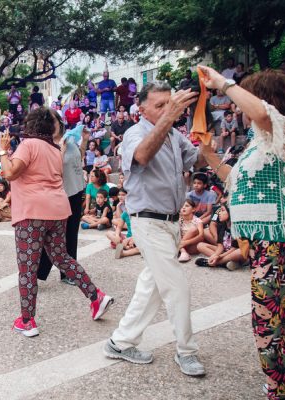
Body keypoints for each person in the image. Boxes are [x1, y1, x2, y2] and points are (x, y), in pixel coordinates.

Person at [198, 65, 285, 398]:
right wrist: (207, 151)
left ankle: (281, 391)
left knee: (269, 322)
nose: (239, 111)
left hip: (277, 238)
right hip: (266, 239)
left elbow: (261, 112)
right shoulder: (259, 144)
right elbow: (233, 180)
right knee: (282, 318)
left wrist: (222, 83)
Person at [104, 80, 204, 376]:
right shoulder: (134, 134)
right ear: (141, 109)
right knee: (177, 287)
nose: (166, 110)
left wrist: (207, 141)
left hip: (171, 222)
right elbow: (143, 156)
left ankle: (120, 343)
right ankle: (187, 351)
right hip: (147, 221)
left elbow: (195, 157)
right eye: (159, 105)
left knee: (151, 287)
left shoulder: (174, 134)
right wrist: (170, 116)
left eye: (169, 103)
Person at [0, 107, 114, 337]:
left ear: (31, 124)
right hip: (58, 209)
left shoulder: (28, 145)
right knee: (62, 257)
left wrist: (3, 152)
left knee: (27, 268)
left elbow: (10, 173)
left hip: (32, 213)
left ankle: (27, 321)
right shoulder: (53, 148)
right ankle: (96, 296)